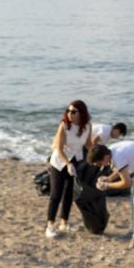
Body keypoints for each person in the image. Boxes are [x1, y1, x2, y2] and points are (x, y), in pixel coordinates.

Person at [45, 100, 91, 238]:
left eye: (73, 112)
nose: (69, 114)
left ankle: (63, 223)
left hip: (76, 161)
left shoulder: (87, 126)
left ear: (81, 113)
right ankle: (50, 226)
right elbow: (58, 148)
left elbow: (88, 145)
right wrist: (67, 164)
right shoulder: (64, 125)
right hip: (60, 162)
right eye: (68, 111)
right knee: (55, 195)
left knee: (69, 194)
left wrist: (97, 157)